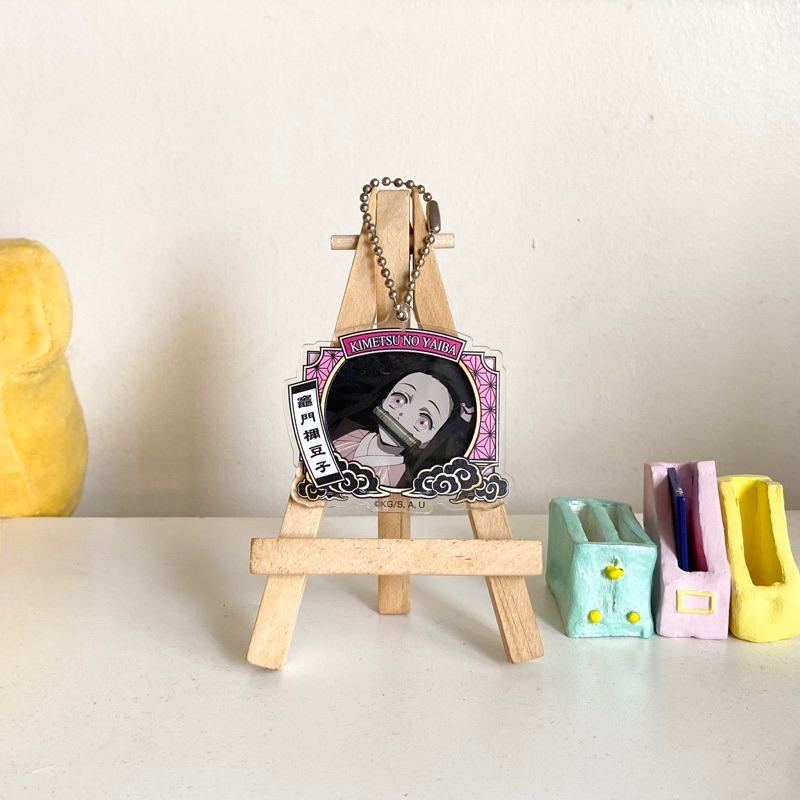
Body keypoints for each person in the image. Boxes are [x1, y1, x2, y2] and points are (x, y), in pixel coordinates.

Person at [325, 354, 476, 489]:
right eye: (399, 400)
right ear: (383, 400)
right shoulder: (345, 428)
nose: (403, 417)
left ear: (429, 441)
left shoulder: (403, 481)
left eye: (423, 422)